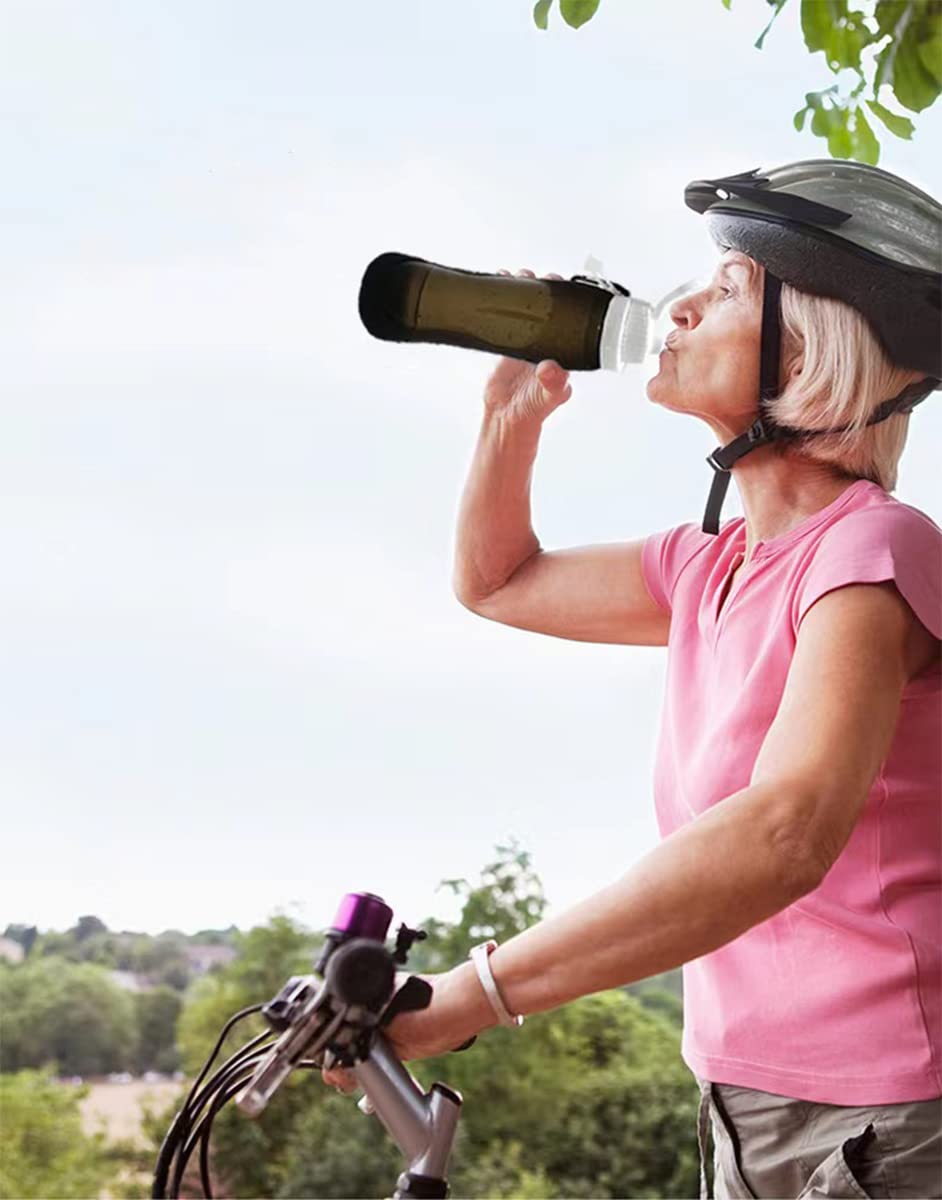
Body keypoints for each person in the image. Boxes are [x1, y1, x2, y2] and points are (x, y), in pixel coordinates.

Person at [328, 161, 942, 1199]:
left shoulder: (873, 553)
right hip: (737, 1097)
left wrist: (481, 990)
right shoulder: (709, 566)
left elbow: (782, 832)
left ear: (813, 346)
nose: (684, 303)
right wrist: (509, 414)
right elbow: (498, 580)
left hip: (891, 1117)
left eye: (735, 286)